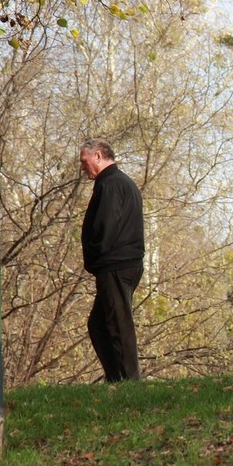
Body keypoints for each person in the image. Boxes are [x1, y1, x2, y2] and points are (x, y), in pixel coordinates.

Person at [79, 138, 144, 382]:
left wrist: (95, 254)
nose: (83, 168)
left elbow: (106, 226)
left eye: (84, 162)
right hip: (118, 264)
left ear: (98, 156)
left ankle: (129, 381)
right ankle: (116, 378)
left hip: (116, 265)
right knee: (99, 325)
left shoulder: (112, 184)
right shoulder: (117, 182)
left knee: (118, 325)